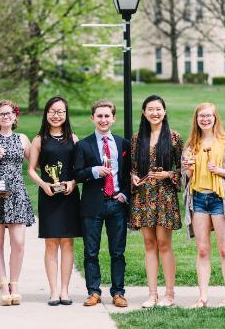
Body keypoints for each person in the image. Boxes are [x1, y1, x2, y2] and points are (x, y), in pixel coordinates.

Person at [180, 103, 225, 308]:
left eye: (209, 116)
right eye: (201, 116)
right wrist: (188, 170)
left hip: (219, 199)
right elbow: (185, 179)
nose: (205, 119)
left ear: (216, 118)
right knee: (203, 250)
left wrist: (219, 170)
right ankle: (203, 297)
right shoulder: (191, 145)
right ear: (196, 119)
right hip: (198, 199)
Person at [74, 100, 131, 308]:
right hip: (92, 204)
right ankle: (93, 291)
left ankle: (118, 292)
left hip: (117, 203)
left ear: (113, 118)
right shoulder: (83, 145)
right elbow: (77, 174)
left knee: (117, 251)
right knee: (91, 251)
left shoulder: (123, 144)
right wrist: (93, 171)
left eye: (107, 116)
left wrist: (124, 194)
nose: (103, 120)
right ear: (92, 118)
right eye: (99, 116)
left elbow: (128, 174)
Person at [129, 95, 183, 308]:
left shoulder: (174, 138)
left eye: (158, 109)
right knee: (149, 244)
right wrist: (133, 176)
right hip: (143, 197)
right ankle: (152, 294)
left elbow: (183, 169)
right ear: (144, 113)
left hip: (165, 197)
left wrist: (169, 174)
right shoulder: (136, 139)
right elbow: (132, 167)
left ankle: (169, 294)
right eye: (150, 109)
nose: (155, 112)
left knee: (164, 243)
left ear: (165, 111)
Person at [28, 96, 81, 306]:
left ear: (66, 114)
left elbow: (79, 170)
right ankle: (53, 291)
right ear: (46, 113)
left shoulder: (74, 139)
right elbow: (31, 169)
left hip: (69, 197)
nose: (56, 115)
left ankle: (65, 291)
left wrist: (73, 183)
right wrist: (43, 185)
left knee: (68, 243)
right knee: (51, 244)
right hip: (48, 196)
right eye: (52, 111)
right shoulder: (39, 139)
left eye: (60, 111)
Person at [0, 99, 34, 306]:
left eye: (9, 113)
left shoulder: (22, 139)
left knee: (18, 243)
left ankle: (15, 283)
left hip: (17, 193)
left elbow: (35, 163)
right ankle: (3, 284)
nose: (6, 116)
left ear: (15, 116)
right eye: (2, 114)